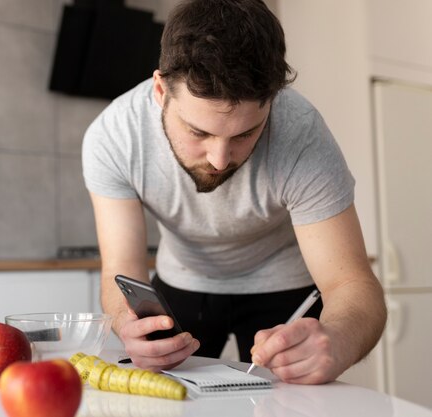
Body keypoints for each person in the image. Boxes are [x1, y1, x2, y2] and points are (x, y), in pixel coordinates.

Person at [82, 0, 386, 385]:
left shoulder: (303, 135)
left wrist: (339, 340)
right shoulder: (114, 136)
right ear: (160, 91)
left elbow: (353, 285)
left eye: (245, 134)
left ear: (272, 101)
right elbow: (119, 271)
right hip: (182, 283)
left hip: (285, 289)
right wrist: (126, 324)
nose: (221, 159)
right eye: (198, 132)